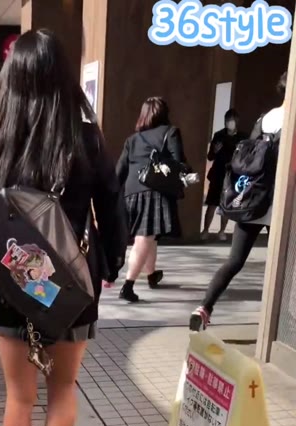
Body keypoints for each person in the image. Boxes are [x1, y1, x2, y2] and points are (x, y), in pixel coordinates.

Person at [0, 29, 127, 426]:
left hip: (13, 284)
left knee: (19, 397)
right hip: (72, 287)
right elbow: (112, 207)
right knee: (63, 388)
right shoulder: (85, 138)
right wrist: (113, 264)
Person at [190, 72, 287, 332]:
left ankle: (204, 307)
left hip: (253, 201)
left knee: (234, 261)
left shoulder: (265, 118)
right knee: (287, 266)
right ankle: (284, 320)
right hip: (280, 205)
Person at [116, 97, 188, 302]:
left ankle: (151, 274)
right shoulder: (170, 132)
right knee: (144, 238)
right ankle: (128, 286)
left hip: (131, 192)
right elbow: (178, 161)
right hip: (154, 191)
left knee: (150, 236)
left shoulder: (132, 139)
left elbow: (119, 171)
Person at [201, 109, 246, 242]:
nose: (230, 123)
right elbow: (210, 157)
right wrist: (215, 151)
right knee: (212, 203)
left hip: (232, 175)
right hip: (218, 174)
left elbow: (245, 157)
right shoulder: (219, 135)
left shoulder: (242, 137)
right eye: (228, 120)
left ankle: (222, 231)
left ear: (237, 121)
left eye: (232, 120)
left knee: (226, 204)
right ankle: (205, 230)